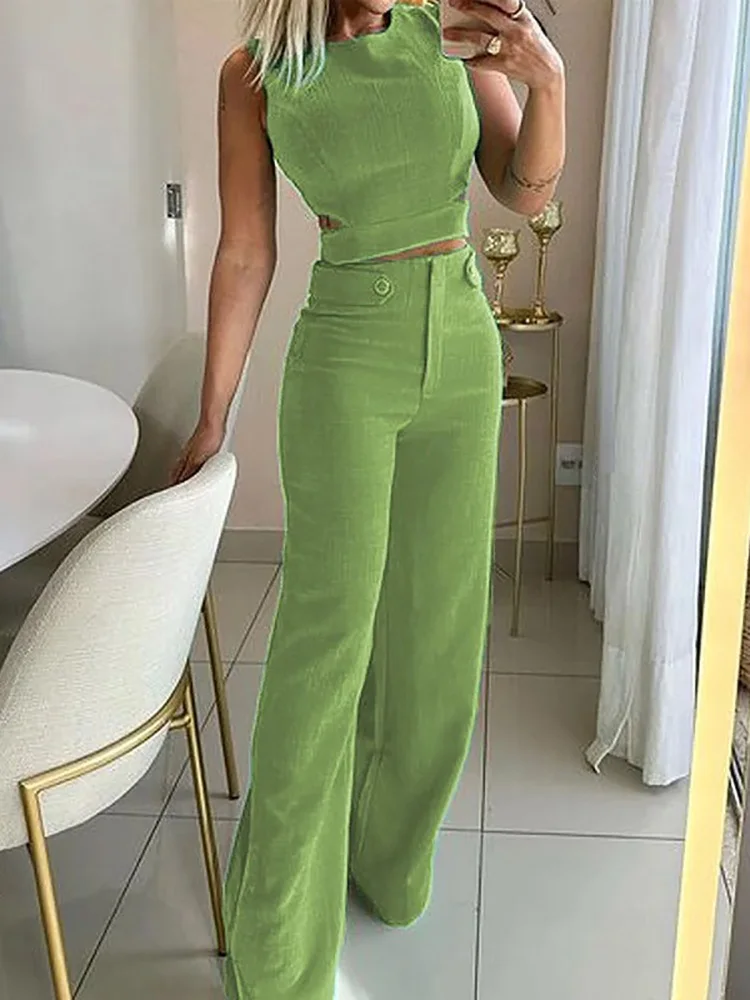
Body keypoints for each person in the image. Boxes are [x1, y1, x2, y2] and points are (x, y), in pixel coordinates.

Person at [172, 0, 564, 995]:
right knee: (325, 645)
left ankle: (389, 861)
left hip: (463, 345)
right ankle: (277, 949)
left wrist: (548, 84)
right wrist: (213, 414)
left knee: (437, 634)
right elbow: (246, 251)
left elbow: (522, 190)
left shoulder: (449, 31)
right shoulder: (255, 73)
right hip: (346, 357)